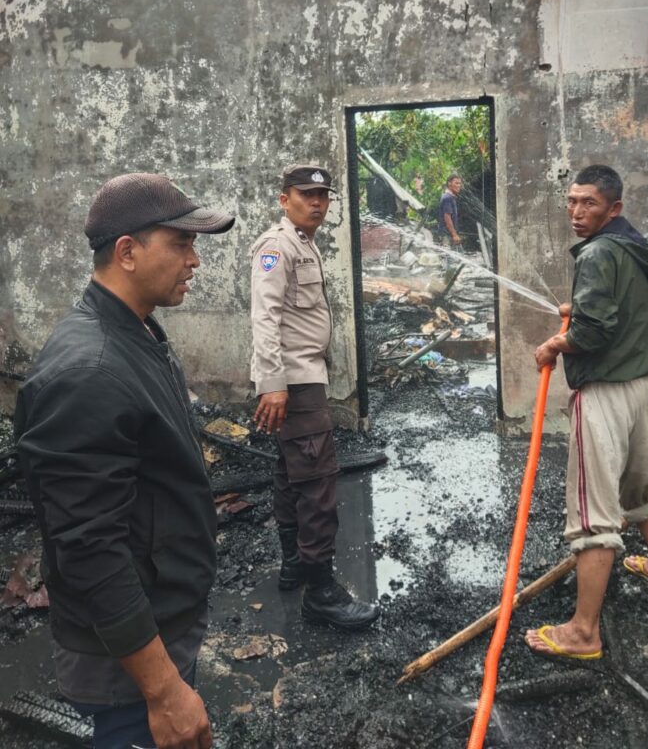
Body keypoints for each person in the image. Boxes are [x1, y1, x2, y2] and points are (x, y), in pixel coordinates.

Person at [14, 173, 235, 749]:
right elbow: (89, 550)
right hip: (125, 667)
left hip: (159, 625)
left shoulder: (137, 334)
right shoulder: (89, 371)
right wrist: (164, 692)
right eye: (182, 243)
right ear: (128, 252)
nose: (195, 260)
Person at [525, 164, 648, 661]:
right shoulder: (637, 246)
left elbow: (592, 332)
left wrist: (553, 345)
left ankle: (583, 632)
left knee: (592, 512)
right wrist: (585, 310)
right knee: (639, 487)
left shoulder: (596, 253)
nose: (575, 211)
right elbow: (620, 306)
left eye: (588, 203)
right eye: (571, 201)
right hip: (641, 384)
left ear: (614, 207)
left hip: (606, 391)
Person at [250, 164, 379, 631]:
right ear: (285, 199)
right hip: (295, 382)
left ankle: (293, 567)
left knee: (290, 473)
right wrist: (273, 383)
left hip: (303, 378)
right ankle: (321, 592)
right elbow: (264, 317)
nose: (318, 202)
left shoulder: (304, 244)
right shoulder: (276, 247)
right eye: (307, 195)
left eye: (323, 195)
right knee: (319, 479)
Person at [437, 174, 462, 247]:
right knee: (447, 257)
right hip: (446, 236)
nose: (459, 185)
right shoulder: (447, 198)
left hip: (448, 234)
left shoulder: (451, 197)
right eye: (456, 183)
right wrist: (454, 235)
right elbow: (447, 217)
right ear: (449, 184)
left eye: (460, 183)